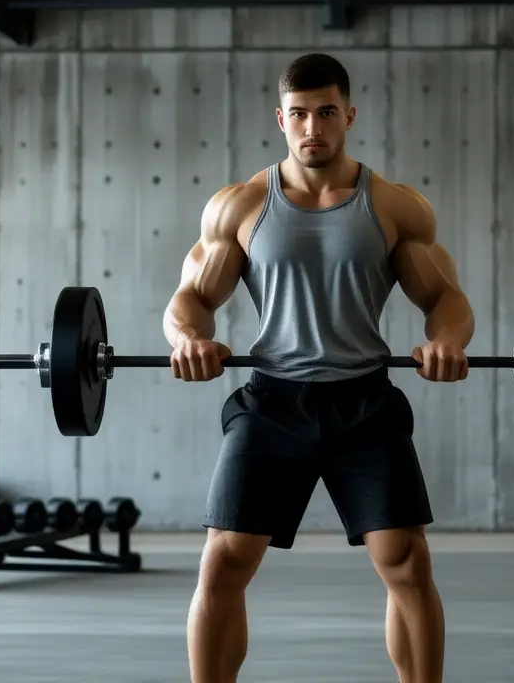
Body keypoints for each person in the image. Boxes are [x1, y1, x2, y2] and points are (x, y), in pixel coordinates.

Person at [162, 52, 474, 683]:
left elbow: (446, 300)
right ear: (281, 118)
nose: (313, 128)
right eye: (299, 114)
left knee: (407, 561)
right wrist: (189, 339)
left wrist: (446, 342)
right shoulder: (241, 206)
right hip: (272, 404)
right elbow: (189, 300)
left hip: (365, 403)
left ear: (348, 116)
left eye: (326, 113)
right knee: (223, 562)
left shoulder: (394, 206)